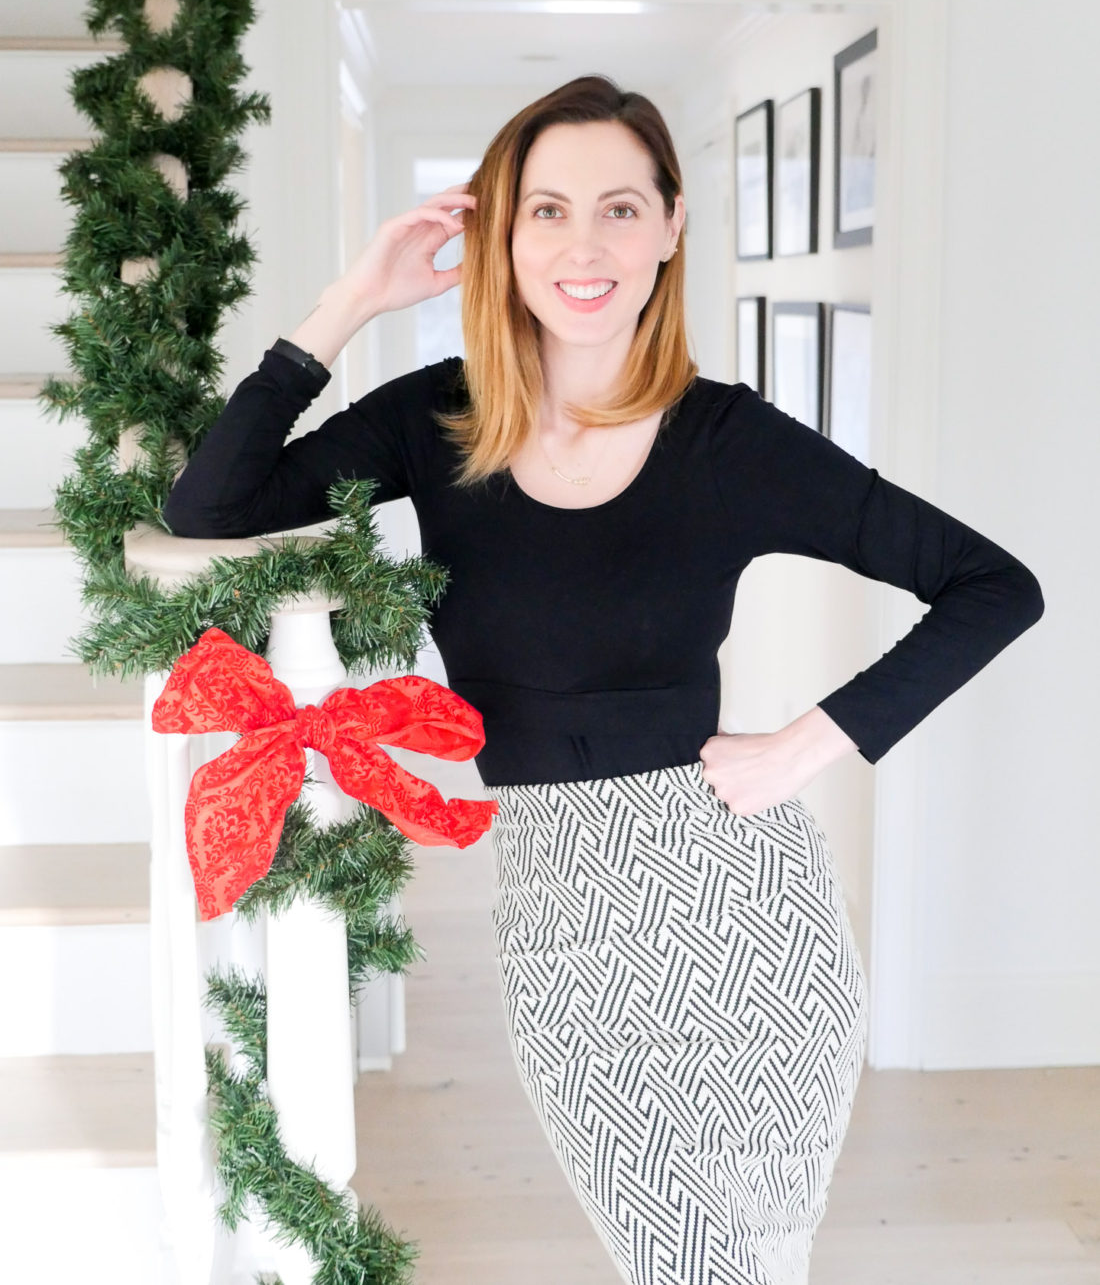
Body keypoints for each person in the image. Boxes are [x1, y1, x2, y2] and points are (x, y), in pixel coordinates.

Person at [163, 75, 1045, 1285]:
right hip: (557, 907)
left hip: (746, 904)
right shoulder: (436, 420)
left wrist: (805, 744)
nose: (585, 244)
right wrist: (352, 300)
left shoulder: (730, 441)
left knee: (753, 1261)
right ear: (500, 237)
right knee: (675, 1258)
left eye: (621, 209)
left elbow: (994, 585)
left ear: (671, 228)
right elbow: (208, 507)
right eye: (547, 210)